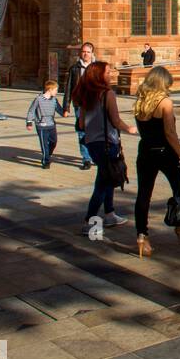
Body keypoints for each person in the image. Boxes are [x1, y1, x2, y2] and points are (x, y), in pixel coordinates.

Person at [132, 65, 180, 258]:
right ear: (164, 82)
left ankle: (142, 236)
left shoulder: (141, 101)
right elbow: (170, 133)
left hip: (145, 152)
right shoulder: (165, 102)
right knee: (179, 189)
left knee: (143, 195)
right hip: (165, 152)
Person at [73, 60, 137, 231]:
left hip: (92, 143)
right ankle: (89, 223)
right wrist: (128, 128)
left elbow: (81, 124)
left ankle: (109, 214)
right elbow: (115, 120)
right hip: (107, 143)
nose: (111, 74)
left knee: (107, 178)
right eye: (107, 72)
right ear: (99, 75)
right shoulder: (108, 94)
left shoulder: (86, 93)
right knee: (101, 184)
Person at [66, 42, 96, 169]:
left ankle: (95, 156)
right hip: (79, 105)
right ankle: (86, 159)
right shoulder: (74, 68)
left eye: (88, 52)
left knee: (95, 132)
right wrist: (66, 106)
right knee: (82, 132)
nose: (85, 54)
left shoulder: (97, 68)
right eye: (83, 51)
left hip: (94, 105)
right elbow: (68, 88)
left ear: (92, 53)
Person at [26, 79, 66, 167]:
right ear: (50, 89)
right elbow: (31, 111)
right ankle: (46, 161)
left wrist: (64, 112)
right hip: (41, 126)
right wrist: (29, 122)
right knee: (44, 144)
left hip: (51, 125)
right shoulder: (38, 99)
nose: (57, 91)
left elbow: (59, 109)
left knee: (54, 142)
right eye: (56, 90)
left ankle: (48, 153)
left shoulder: (54, 100)